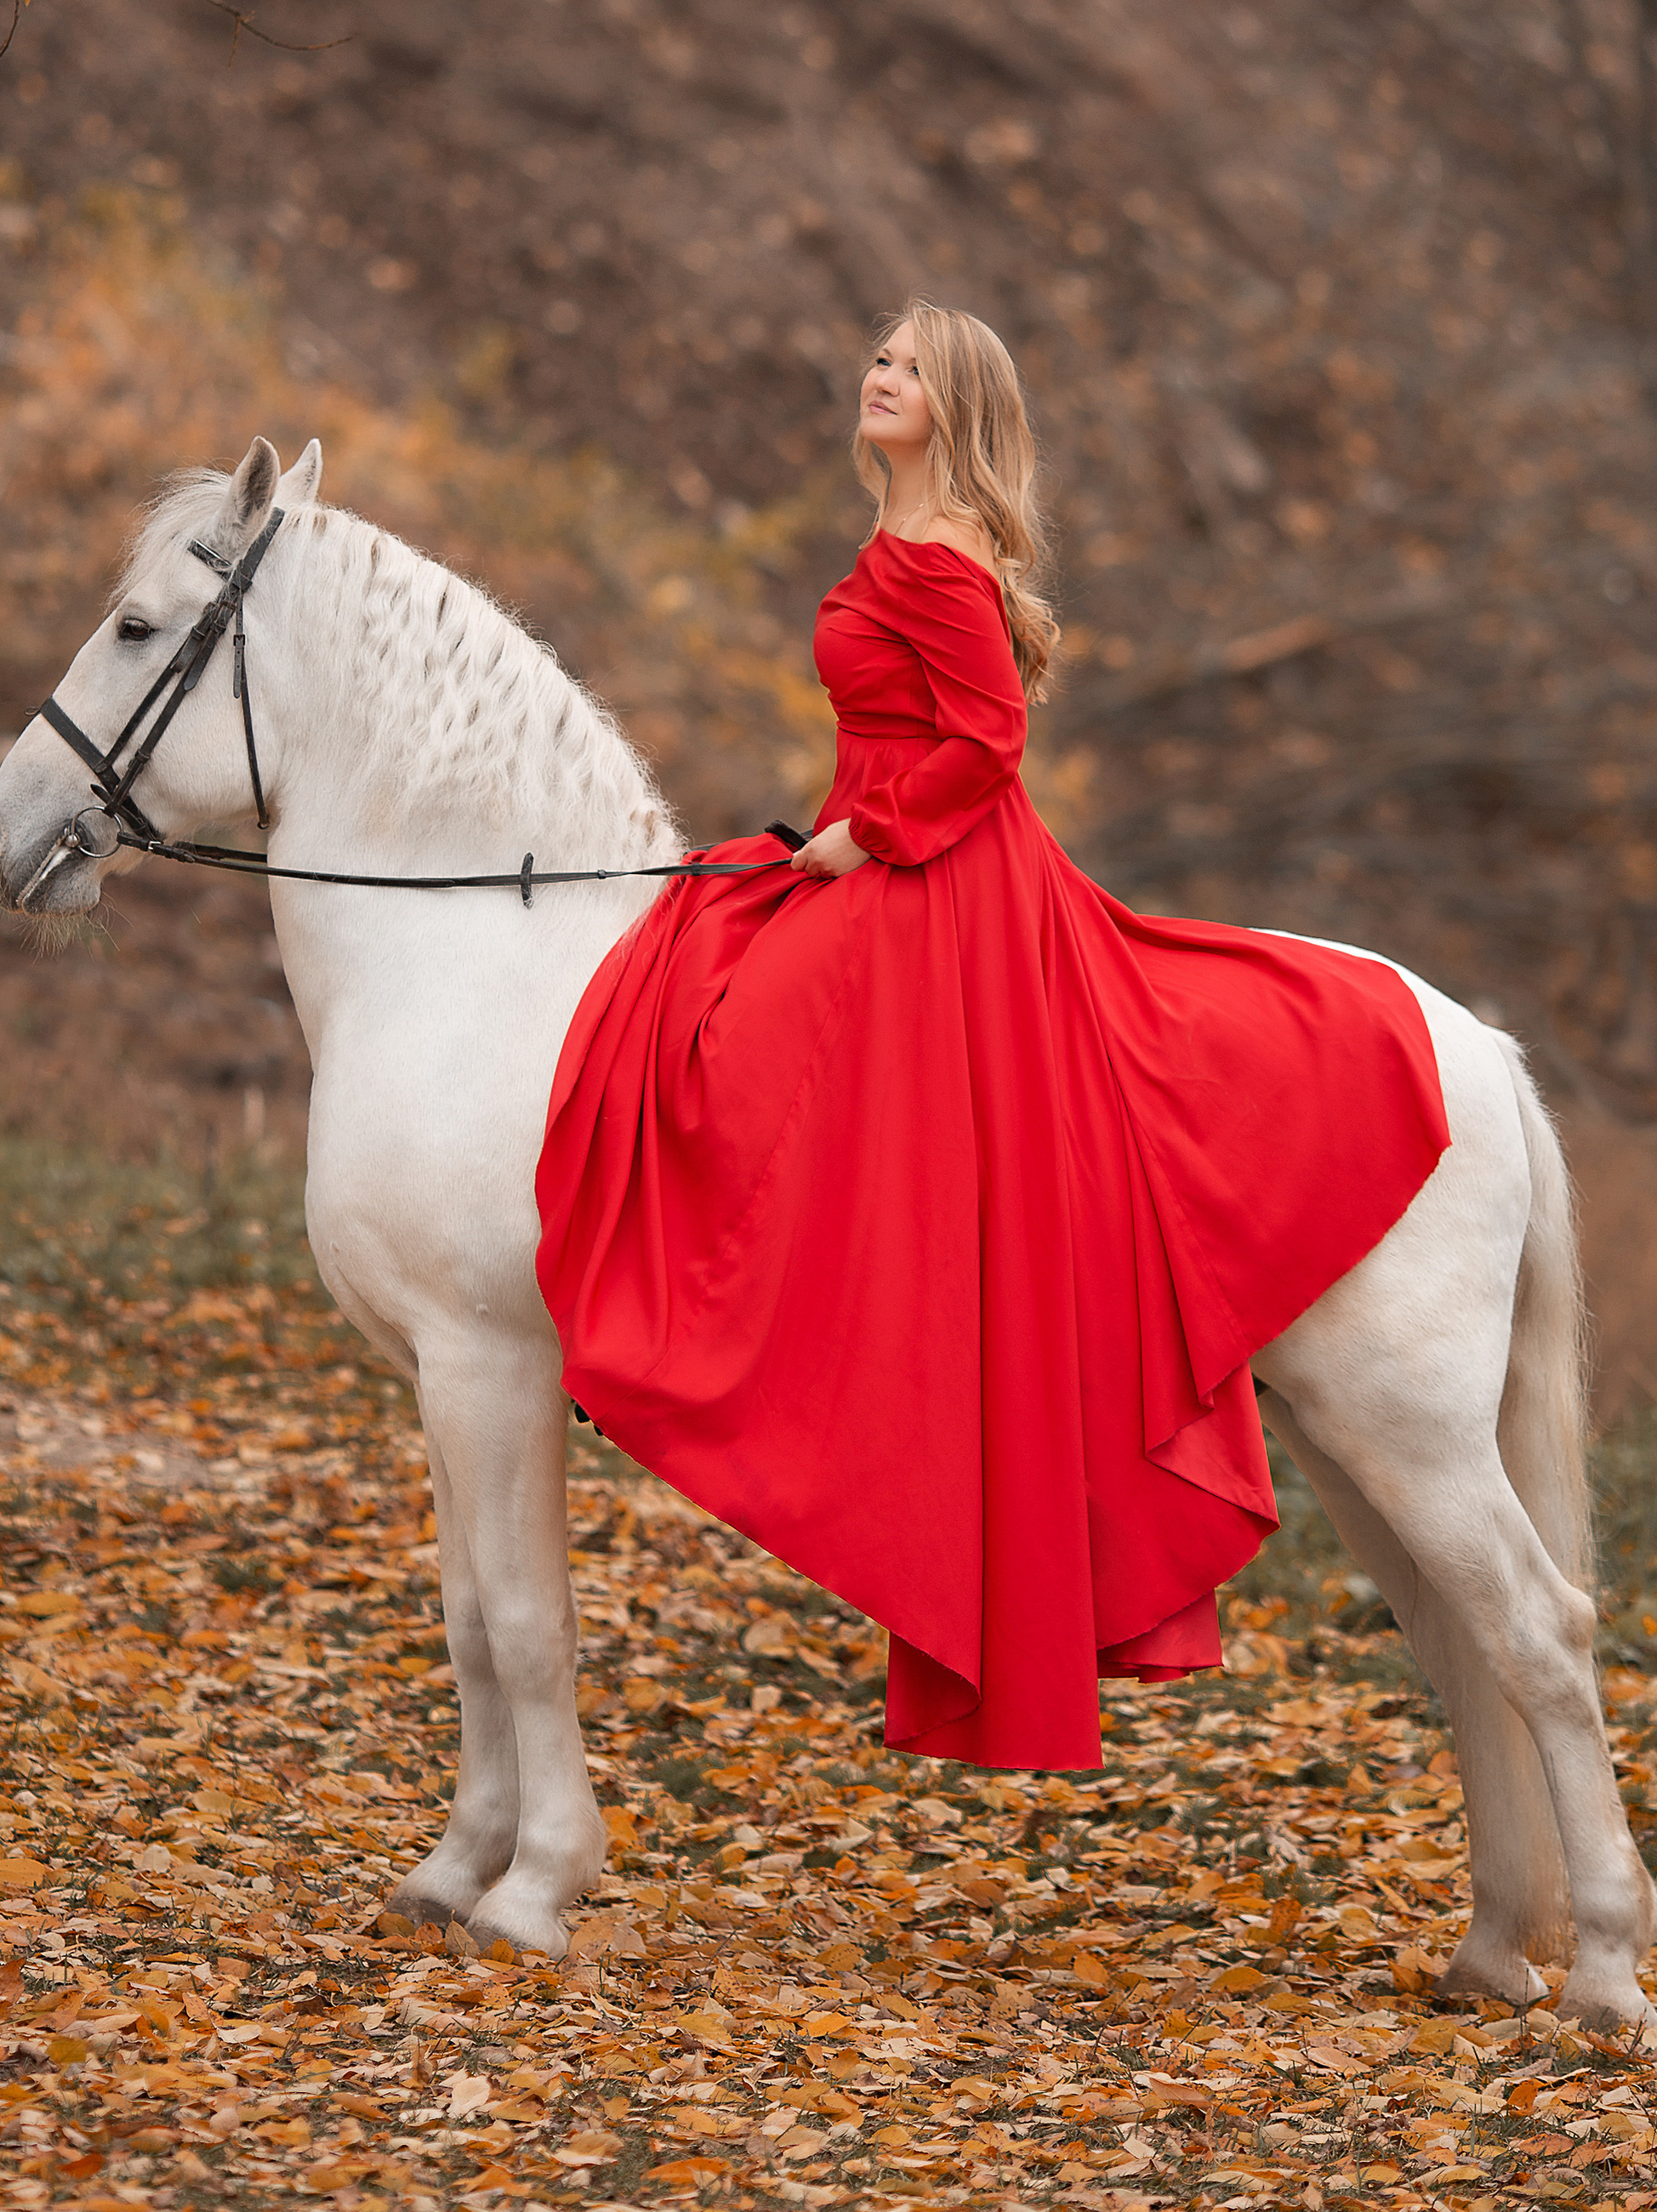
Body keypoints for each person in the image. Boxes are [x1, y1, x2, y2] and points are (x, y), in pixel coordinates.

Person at [538, 302, 1449, 1770]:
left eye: (905, 365)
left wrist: (864, 840)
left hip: (940, 875)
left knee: (741, 1046)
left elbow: (988, 746)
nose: (875, 374)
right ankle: (676, 1334)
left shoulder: (938, 550)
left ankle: (688, 1344)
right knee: (698, 956)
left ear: (952, 400)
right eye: (877, 357)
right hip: (887, 851)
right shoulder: (895, 540)